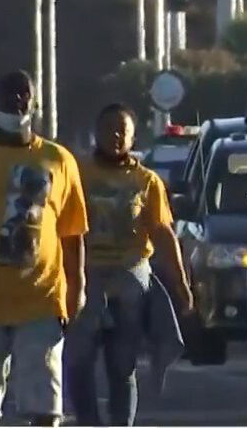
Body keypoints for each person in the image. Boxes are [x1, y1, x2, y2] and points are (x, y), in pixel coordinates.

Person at [64, 103, 194, 426]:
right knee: (78, 363)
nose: (116, 135)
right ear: (96, 133)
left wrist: (181, 285)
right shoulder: (77, 174)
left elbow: (163, 234)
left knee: (122, 366)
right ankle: (88, 422)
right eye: (109, 128)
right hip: (85, 280)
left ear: (134, 137)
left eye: (123, 130)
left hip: (129, 281)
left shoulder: (146, 181)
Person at [0, 71, 88, 427]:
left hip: (41, 296)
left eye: (24, 94)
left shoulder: (59, 159)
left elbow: (72, 231)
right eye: (10, 95)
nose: (17, 101)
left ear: (35, 102)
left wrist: (77, 285)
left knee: (43, 401)